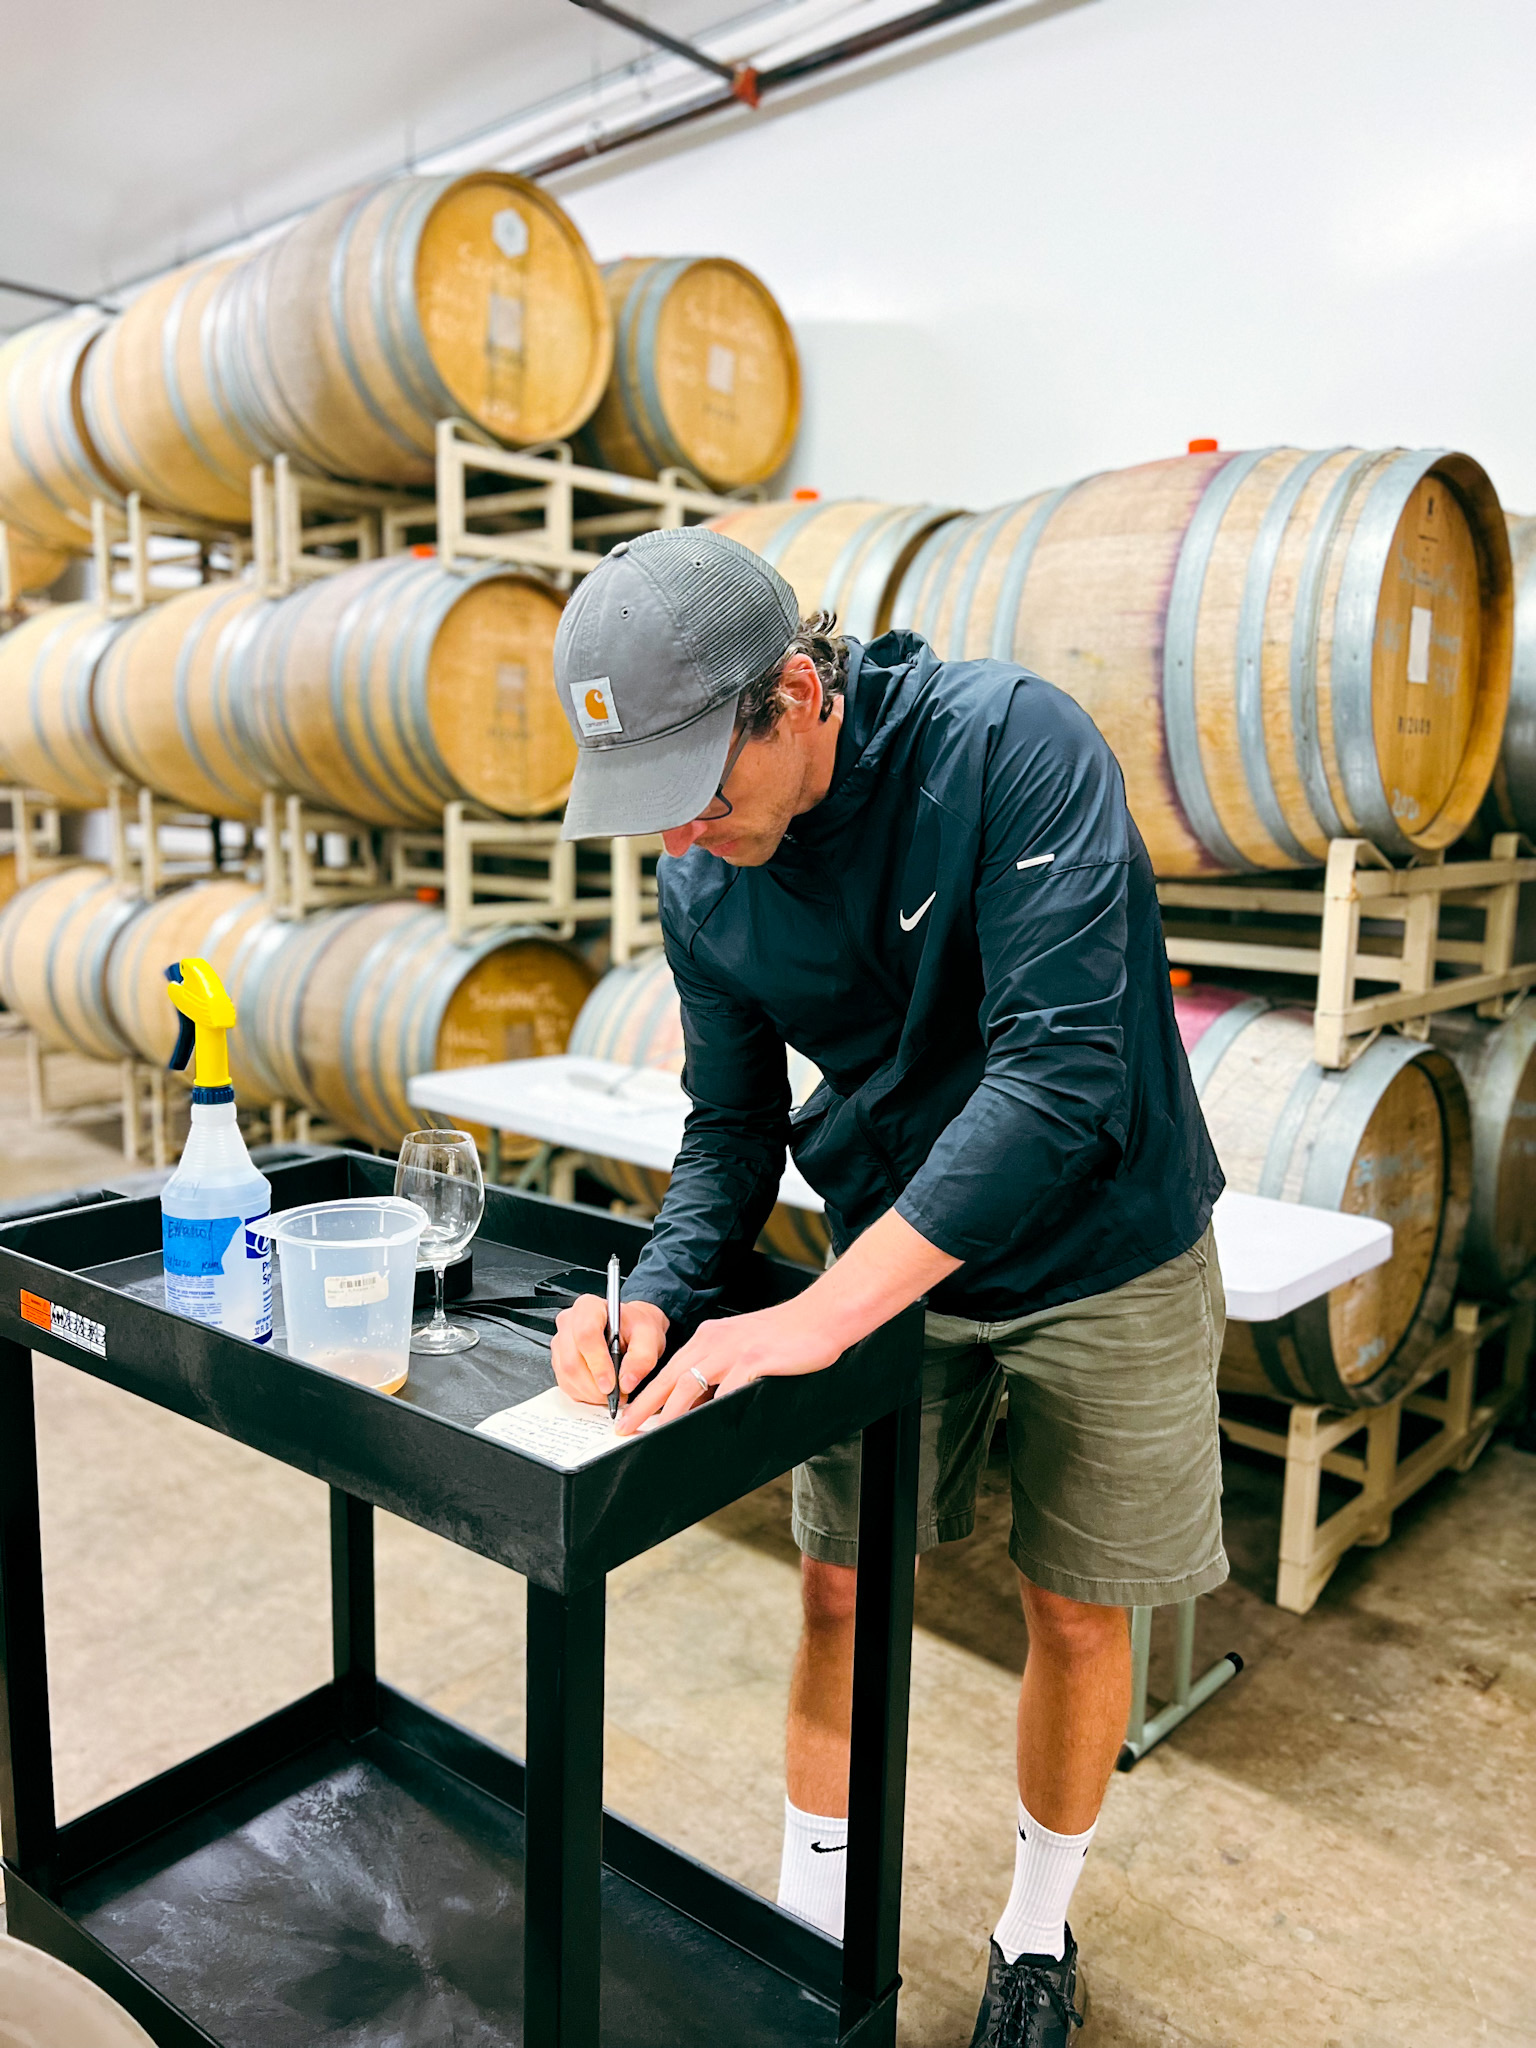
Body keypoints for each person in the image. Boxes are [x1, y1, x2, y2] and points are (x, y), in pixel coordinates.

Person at [549, 526, 1227, 2048]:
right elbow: (730, 1128)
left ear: (794, 696)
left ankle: (1036, 1937)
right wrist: (663, 1290)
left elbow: (1057, 1080)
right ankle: (803, 1933)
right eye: (649, 809)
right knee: (843, 1587)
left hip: (1104, 1250)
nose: (683, 835)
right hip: (885, 1256)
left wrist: (808, 1319)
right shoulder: (702, 883)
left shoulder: (1008, 749)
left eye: (703, 789)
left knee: (1075, 1612)